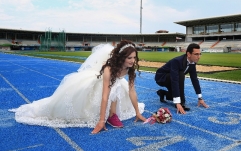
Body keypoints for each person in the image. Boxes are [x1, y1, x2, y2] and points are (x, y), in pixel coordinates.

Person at [9, 40, 146, 134]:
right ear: (121, 58)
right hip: (101, 85)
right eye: (129, 58)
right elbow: (105, 95)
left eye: (134, 58)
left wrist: (137, 112)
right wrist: (100, 121)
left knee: (119, 87)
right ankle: (108, 116)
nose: (133, 61)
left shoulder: (129, 69)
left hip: (114, 85)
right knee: (111, 90)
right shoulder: (109, 69)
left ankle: (112, 114)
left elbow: (132, 91)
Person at [155, 43, 209, 114]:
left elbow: (194, 79)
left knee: (173, 95)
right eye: (196, 54)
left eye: (200, 54)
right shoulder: (177, 61)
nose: (199, 57)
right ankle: (182, 103)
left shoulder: (192, 63)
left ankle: (162, 93)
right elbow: (175, 80)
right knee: (180, 75)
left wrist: (200, 98)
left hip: (172, 78)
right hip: (161, 77)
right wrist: (178, 103)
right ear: (189, 54)